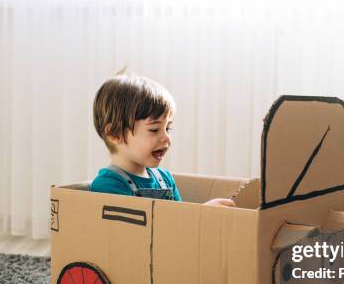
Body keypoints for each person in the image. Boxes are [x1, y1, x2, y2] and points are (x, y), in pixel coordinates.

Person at [90, 72, 235, 208]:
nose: (166, 137)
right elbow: (134, 233)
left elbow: (180, 224)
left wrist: (204, 214)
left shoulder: (165, 180)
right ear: (115, 134)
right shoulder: (108, 186)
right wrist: (201, 215)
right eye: (154, 129)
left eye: (168, 128)